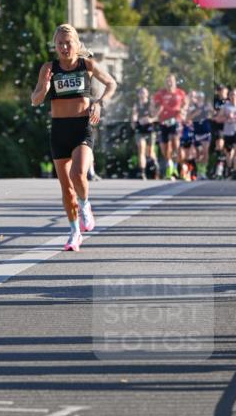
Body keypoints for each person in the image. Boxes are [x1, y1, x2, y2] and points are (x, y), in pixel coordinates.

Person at [31, 23, 116, 251]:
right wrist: (45, 87)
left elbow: (111, 83)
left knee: (78, 173)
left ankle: (86, 204)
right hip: (59, 130)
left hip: (81, 127)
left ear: (76, 44)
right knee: (66, 188)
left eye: (68, 43)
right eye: (60, 44)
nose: (64, 47)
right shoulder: (48, 68)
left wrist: (99, 103)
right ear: (55, 46)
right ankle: (74, 232)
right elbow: (35, 100)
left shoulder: (86, 64)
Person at [151, 73, 188, 180]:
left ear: (175, 82)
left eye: (171, 81)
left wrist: (183, 110)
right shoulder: (160, 94)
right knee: (164, 149)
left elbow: (185, 103)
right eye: (167, 81)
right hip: (163, 122)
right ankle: (170, 164)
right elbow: (154, 106)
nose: (169, 83)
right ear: (165, 83)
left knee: (175, 143)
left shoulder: (180, 93)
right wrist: (154, 113)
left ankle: (176, 168)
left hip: (176, 121)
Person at [218, 87, 236, 179]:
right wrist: (226, 117)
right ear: (229, 96)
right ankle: (229, 168)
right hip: (228, 131)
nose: (233, 97)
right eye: (231, 95)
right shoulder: (225, 106)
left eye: (235, 95)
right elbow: (219, 118)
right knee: (229, 153)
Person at [130, 86, 157, 180]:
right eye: (141, 93)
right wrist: (134, 122)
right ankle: (142, 172)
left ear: (147, 94)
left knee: (150, 152)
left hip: (149, 130)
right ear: (138, 95)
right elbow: (133, 117)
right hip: (140, 130)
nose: (142, 94)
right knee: (141, 149)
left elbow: (156, 117)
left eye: (144, 92)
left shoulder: (150, 104)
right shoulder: (136, 105)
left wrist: (150, 119)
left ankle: (156, 167)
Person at [211, 83, 229, 178]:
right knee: (219, 145)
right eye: (219, 90)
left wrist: (220, 115)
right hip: (218, 127)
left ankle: (226, 167)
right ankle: (219, 166)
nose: (221, 92)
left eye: (223, 90)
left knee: (228, 149)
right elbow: (212, 114)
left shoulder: (229, 101)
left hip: (230, 127)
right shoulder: (214, 101)